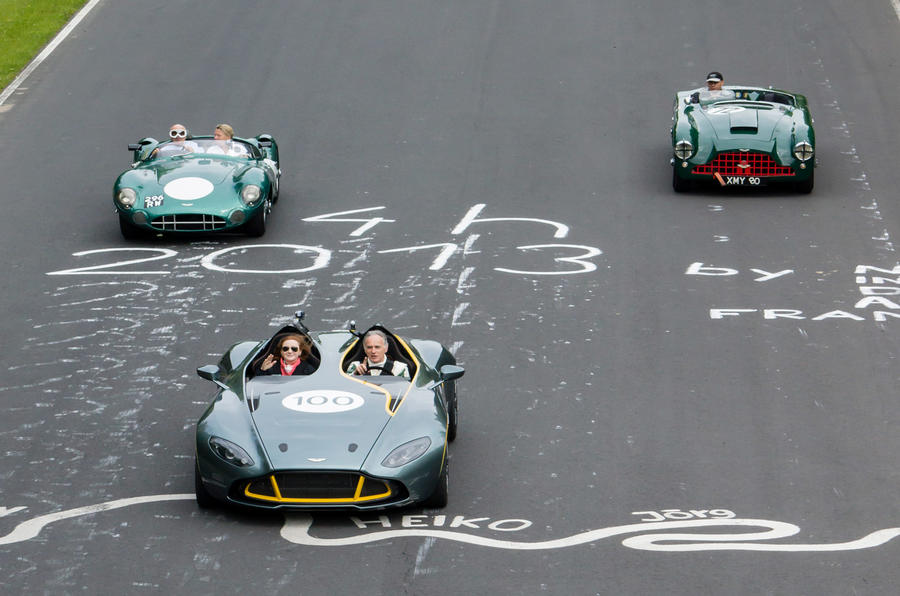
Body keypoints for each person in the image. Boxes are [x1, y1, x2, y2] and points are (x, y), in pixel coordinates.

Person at [346, 330, 410, 378]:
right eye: (369, 347)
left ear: (386, 348)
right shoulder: (355, 366)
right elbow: (347, 389)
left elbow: (406, 392)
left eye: (377, 347)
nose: (373, 351)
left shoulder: (400, 368)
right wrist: (356, 375)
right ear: (365, 349)